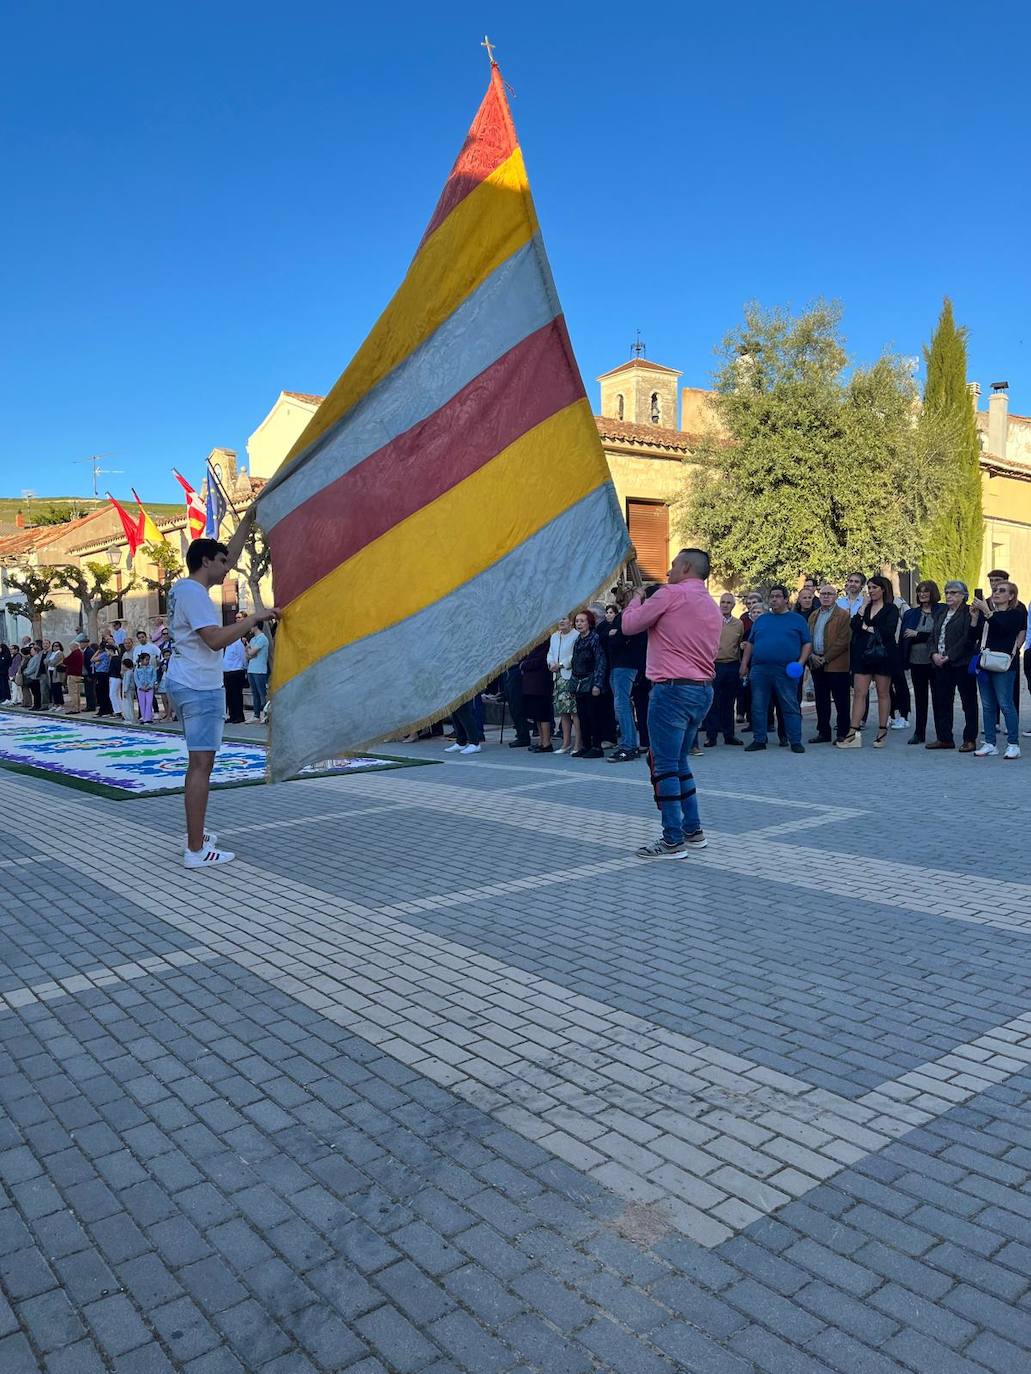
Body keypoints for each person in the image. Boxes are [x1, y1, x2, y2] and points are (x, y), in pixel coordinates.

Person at [164, 518, 282, 867]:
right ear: (205, 562)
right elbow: (214, 640)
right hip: (199, 685)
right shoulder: (193, 593)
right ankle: (196, 850)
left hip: (187, 679)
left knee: (199, 764)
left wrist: (250, 519)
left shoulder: (182, 589)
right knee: (201, 766)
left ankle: (195, 836)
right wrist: (253, 619)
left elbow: (229, 552)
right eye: (221, 562)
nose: (226, 567)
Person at [621, 549, 721, 857]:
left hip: (671, 689)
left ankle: (673, 838)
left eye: (674, 564)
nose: (668, 570)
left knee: (663, 765)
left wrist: (636, 598)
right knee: (679, 762)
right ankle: (693, 830)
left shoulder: (670, 595)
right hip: (702, 689)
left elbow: (630, 625)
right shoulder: (711, 604)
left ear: (687, 567)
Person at [739, 586, 810, 753]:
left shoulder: (797, 620)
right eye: (771, 596)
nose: (774, 599)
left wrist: (800, 663)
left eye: (778, 596)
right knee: (758, 706)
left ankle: (795, 741)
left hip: (786, 670)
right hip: (760, 669)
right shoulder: (762, 620)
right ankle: (759, 739)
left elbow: (807, 643)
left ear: (786, 599)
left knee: (790, 705)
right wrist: (744, 664)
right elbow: (751, 643)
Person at [836, 576, 900, 749]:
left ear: (883, 589)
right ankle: (853, 732)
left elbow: (888, 631)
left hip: (883, 655)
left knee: (883, 693)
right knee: (859, 693)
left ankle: (882, 730)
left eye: (874, 587)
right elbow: (854, 625)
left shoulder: (891, 609)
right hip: (863, 654)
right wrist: (863, 607)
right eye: (869, 587)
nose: (870, 591)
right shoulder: (866, 607)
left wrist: (866, 628)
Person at [972, 580, 1025, 758]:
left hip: (1004, 665)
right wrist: (974, 617)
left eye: (1002, 591)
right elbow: (974, 636)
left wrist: (986, 612)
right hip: (985, 663)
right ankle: (990, 743)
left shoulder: (1015, 614)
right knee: (987, 705)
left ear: (1011, 596)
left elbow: (1003, 629)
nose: (996, 593)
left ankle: (1013, 744)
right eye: (994, 590)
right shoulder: (989, 614)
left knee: (1005, 704)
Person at [927, 580, 979, 751]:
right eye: (947, 592)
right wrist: (934, 653)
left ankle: (970, 739)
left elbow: (967, 639)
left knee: (968, 702)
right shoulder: (942, 612)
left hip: (960, 663)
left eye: (954, 593)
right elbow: (933, 636)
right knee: (941, 701)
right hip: (940, 664)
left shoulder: (969, 613)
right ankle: (944, 738)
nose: (949, 595)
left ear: (964, 596)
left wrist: (949, 656)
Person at [599, 599, 648, 761]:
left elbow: (616, 638)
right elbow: (604, 634)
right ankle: (629, 744)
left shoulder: (633, 616)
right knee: (621, 705)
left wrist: (615, 634)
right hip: (620, 665)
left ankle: (628, 746)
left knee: (622, 705)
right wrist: (612, 634)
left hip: (625, 666)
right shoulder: (627, 616)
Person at [807, 584, 852, 742]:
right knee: (821, 701)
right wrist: (812, 655)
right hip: (816, 663)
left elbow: (843, 641)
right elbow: (808, 638)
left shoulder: (843, 615)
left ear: (836, 596)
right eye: (823, 593)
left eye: (830, 594)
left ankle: (843, 732)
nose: (826, 596)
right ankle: (823, 732)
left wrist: (825, 658)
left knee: (841, 701)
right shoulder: (814, 615)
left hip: (837, 664)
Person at [901, 580, 941, 745]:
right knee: (920, 698)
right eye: (919, 591)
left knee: (940, 698)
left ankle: (942, 734)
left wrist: (918, 634)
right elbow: (904, 635)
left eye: (926, 591)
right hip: (916, 661)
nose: (922, 594)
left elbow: (939, 634)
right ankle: (919, 733)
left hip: (936, 661)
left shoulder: (942, 610)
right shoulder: (911, 614)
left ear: (933, 592)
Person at [704, 592, 744, 747]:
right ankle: (711, 736)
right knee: (712, 702)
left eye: (729, 602)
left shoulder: (738, 624)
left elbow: (740, 645)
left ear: (733, 605)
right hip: (715, 665)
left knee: (729, 702)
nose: (725, 605)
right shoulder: (711, 621)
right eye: (723, 602)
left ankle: (729, 735)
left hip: (732, 665)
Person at [569, 610, 607, 759]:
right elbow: (574, 662)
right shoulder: (578, 639)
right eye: (577, 621)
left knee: (593, 715)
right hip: (579, 682)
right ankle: (586, 745)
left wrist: (597, 684)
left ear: (589, 622)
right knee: (582, 716)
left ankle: (597, 747)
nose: (579, 624)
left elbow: (600, 661)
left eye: (582, 621)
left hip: (591, 681)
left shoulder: (595, 638)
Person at [548, 614, 579, 755]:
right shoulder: (554, 636)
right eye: (559, 618)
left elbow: (575, 655)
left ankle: (578, 743)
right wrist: (551, 663)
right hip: (557, 677)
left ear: (571, 622)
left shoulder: (576, 635)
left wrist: (561, 664)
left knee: (574, 711)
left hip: (570, 676)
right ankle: (565, 743)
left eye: (564, 618)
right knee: (563, 712)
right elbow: (550, 653)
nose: (561, 621)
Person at [520, 642, 554, 752]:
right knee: (537, 716)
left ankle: (546, 743)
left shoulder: (545, 645)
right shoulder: (532, 645)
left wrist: (524, 665)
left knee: (543, 715)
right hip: (532, 686)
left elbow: (539, 662)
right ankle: (541, 740)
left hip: (540, 685)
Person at [223, 614, 248, 724]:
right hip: (228, 672)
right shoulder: (227, 644)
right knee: (229, 695)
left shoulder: (237, 643)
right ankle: (232, 715)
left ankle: (239, 716)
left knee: (236, 694)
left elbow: (243, 657)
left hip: (236, 671)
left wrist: (244, 668)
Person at [244, 621, 271, 722]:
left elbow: (251, 652)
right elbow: (248, 656)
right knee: (254, 693)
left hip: (260, 670)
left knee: (262, 693)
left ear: (255, 626)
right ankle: (256, 715)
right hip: (251, 669)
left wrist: (248, 649)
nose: (249, 628)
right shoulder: (252, 639)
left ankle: (266, 715)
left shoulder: (262, 638)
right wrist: (249, 650)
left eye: (251, 625)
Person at [62, 635, 85, 713]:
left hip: (73, 675)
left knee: (73, 693)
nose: (70, 649)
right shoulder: (80, 653)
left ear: (74, 647)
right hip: (78, 674)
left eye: (70, 647)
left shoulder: (75, 653)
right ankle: (77, 707)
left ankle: (74, 708)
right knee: (77, 693)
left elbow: (65, 661)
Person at [134, 652, 158, 724]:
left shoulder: (151, 668)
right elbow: (136, 678)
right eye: (146, 659)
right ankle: (144, 717)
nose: (147, 661)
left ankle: (148, 718)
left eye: (148, 660)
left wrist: (150, 685)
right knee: (142, 703)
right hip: (141, 689)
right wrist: (140, 686)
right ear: (141, 660)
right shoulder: (137, 668)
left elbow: (154, 677)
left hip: (149, 688)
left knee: (149, 702)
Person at [46, 641, 66, 712]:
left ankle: (61, 704)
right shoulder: (51, 653)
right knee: (53, 689)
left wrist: (48, 661)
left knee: (58, 689)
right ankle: (55, 704)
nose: (55, 647)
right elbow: (45, 661)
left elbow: (53, 663)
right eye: (54, 646)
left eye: (57, 646)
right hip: (50, 672)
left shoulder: (59, 653)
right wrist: (48, 662)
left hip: (56, 673)